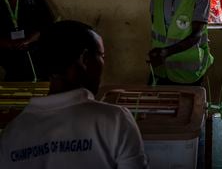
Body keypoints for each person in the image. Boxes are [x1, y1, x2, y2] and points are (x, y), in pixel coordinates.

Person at [0, 20, 149, 168]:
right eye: (102, 56)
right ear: (85, 59)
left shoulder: (12, 133)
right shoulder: (115, 121)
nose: (103, 63)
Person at [149, 0, 213, 85]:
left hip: (188, 73)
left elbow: (196, 36)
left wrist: (165, 52)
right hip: (160, 69)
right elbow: (156, 23)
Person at [0, 0, 54, 81]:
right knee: (16, 72)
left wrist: (29, 40)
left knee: (39, 69)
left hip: (31, 46)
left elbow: (47, 23)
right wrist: (8, 44)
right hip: (5, 49)